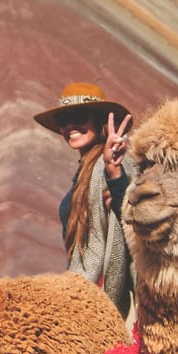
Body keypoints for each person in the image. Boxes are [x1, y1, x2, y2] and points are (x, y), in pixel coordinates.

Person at [34, 82, 134, 318]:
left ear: (98, 121)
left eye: (78, 116)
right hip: (86, 287)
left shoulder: (116, 165)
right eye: (63, 120)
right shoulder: (83, 174)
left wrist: (115, 175)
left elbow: (132, 221)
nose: (70, 126)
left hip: (114, 293)